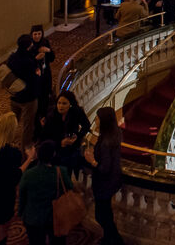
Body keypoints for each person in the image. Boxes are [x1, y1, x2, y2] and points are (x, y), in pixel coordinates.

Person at [0, 112, 36, 245]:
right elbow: (16, 176)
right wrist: (30, 159)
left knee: (0, 221)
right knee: (2, 231)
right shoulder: (12, 153)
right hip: (2, 196)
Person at [19, 140, 73, 245]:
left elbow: (22, 195)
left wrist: (21, 213)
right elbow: (70, 188)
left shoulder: (28, 174)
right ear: (53, 155)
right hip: (55, 217)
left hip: (33, 217)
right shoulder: (61, 171)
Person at [84, 107, 125, 245]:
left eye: (97, 118)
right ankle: (109, 239)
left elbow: (104, 168)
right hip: (111, 182)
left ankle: (115, 240)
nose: (95, 120)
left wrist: (92, 161)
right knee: (106, 214)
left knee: (102, 216)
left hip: (104, 184)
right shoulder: (115, 134)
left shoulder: (106, 142)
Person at [40, 90, 90, 172]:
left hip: (72, 148)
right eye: (59, 103)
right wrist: (61, 142)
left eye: (64, 103)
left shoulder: (77, 112)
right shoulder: (51, 115)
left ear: (70, 104)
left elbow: (86, 125)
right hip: (56, 149)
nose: (60, 106)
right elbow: (46, 136)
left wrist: (78, 136)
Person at [7, 34, 41, 149]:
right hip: (28, 98)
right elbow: (33, 79)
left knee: (12, 123)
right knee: (27, 126)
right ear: (28, 46)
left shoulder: (12, 58)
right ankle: (25, 151)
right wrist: (37, 74)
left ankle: (6, 145)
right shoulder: (28, 61)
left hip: (14, 96)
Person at [30, 25, 54, 120]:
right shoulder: (30, 46)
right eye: (35, 34)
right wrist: (36, 58)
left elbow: (52, 58)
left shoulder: (45, 43)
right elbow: (27, 63)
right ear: (31, 35)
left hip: (46, 74)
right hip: (35, 77)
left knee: (45, 96)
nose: (37, 36)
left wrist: (48, 50)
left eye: (39, 34)